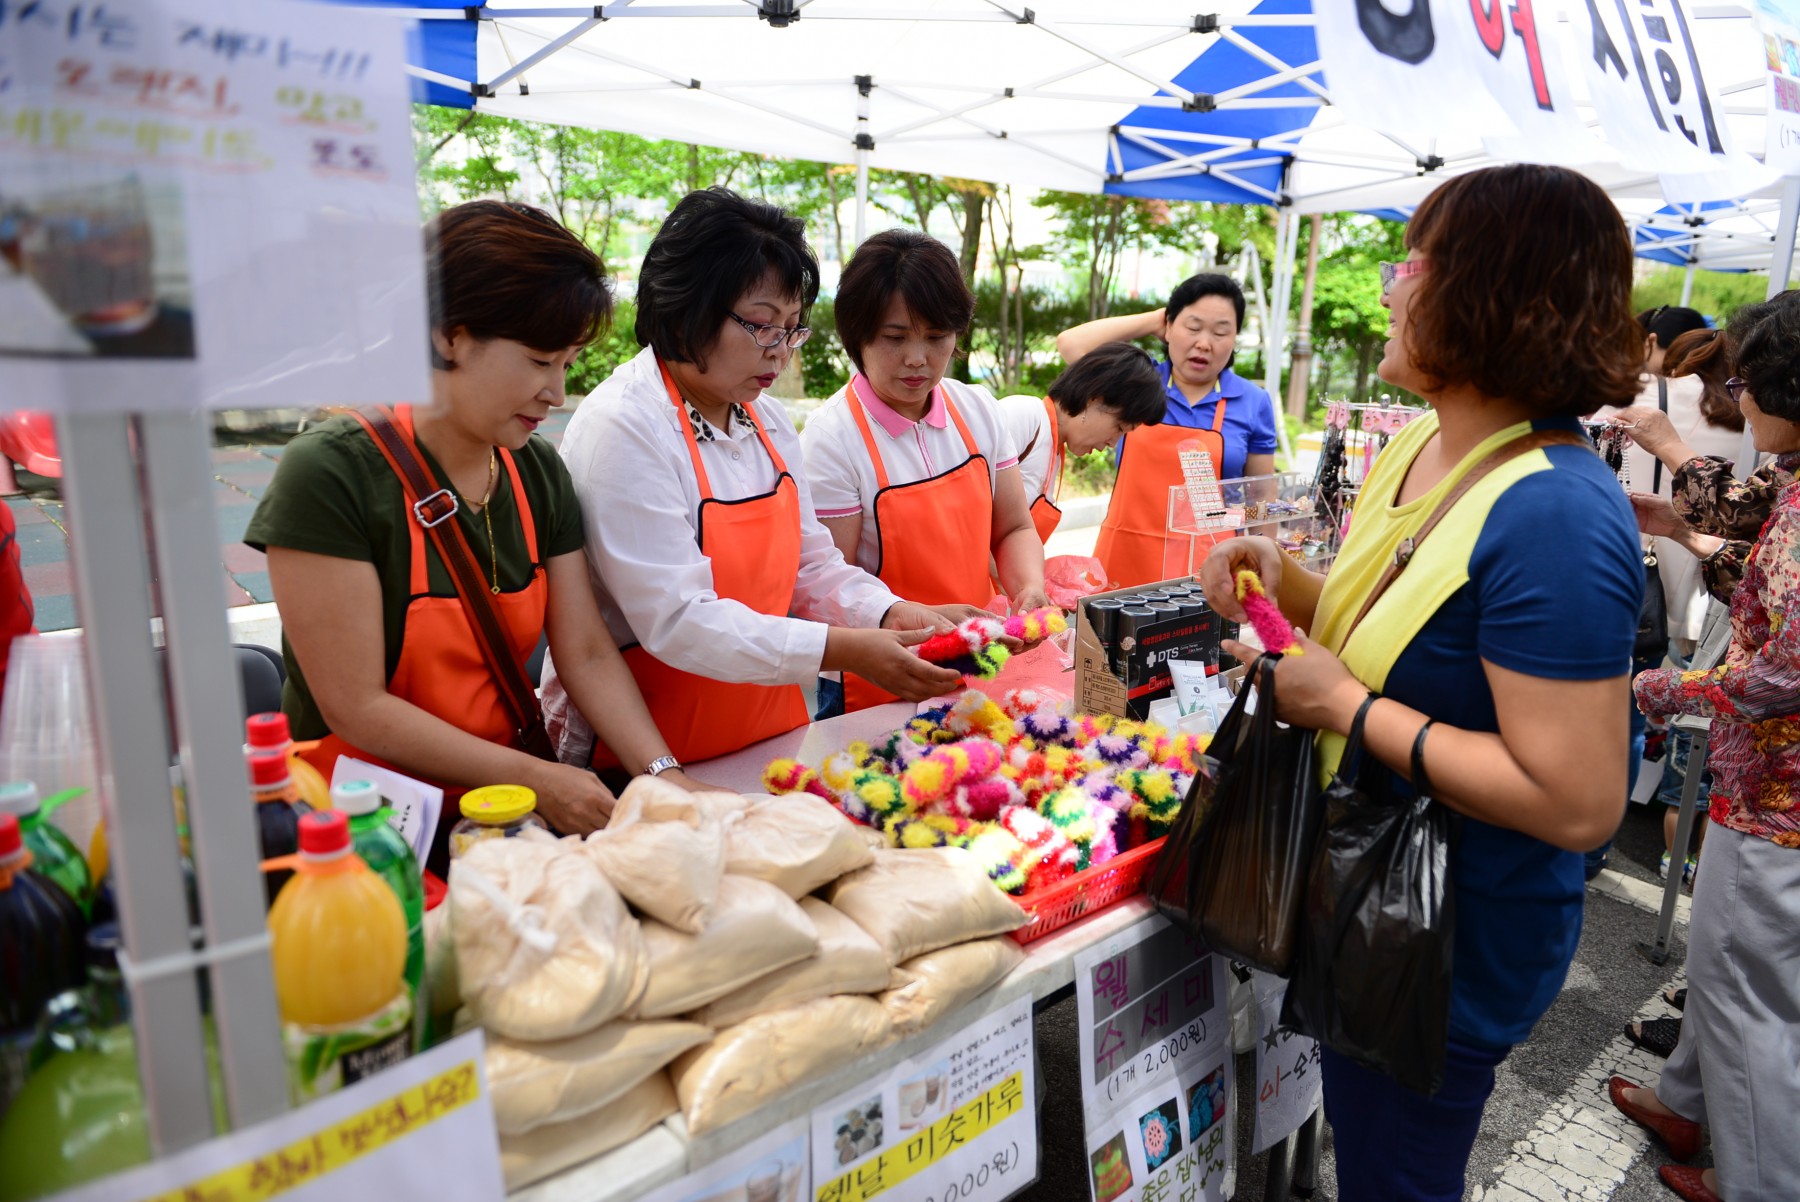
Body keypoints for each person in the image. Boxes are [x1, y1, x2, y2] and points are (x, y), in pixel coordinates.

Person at [1199, 164, 1642, 1202]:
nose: (1394, 286)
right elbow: (1394, 630)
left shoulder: (1557, 513)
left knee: (1398, 1170)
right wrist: (1286, 581)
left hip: (1439, 936)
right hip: (1360, 890)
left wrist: (1349, 710)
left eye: (1416, 263)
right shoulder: (1421, 444)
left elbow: (1577, 799)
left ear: (1491, 293)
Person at [247, 201, 693, 870]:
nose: (556, 391)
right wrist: (540, 778)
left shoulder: (535, 470)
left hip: (502, 819)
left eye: (568, 362)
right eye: (541, 360)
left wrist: (665, 777)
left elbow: (588, 653)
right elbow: (357, 707)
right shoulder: (332, 473)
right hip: (362, 833)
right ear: (450, 335)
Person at [540, 189, 963, 768]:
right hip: (649, 754)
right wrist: (845, 649)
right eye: (763, 326)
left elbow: (809, 564)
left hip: (767, 733)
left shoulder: (764, 418)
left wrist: (889, 615)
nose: (781, 352)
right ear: (687, 306)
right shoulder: (625, 427)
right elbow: (678, 620)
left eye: (792, 329)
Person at [1607, 293, 1800, 1202]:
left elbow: (1779, 672)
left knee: (1742, 984)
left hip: (1779, 796)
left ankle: (1761, 1181)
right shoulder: (1794, 479)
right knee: (1724, 960)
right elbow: (1763, 571)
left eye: (1747, 380)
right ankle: (1687, 1099)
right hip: (1757, 783)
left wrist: (1664, 689)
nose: (1737, 395)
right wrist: (1681, 527)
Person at [801, 228, 1047, 712]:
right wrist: (914, 619)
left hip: (978, 654)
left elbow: (1014, 525)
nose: (918, 359)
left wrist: (1028, 588)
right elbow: (828, 580)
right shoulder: (831, 439)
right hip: (879, 672)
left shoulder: (977, 409)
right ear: (858, 336)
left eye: (936, 337)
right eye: (895, 338)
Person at [1584, 309, 1742, 882]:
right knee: (1650, 729)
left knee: (1598, 713)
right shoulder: (1742, 416)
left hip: (1622, 576)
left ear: (1650, 341)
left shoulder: (1630, 399)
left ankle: (1577, 838)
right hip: (1707, 599)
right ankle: (1609, 847)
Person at [1057, 274, 1279, 587]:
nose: (1204, 343)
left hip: (1211, 570)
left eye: (1220, 332)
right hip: (1124, 558)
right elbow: (1071, 344)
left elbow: (1263, 496)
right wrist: (1154, 320)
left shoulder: (1253, 401)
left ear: (1234, 340)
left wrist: (1262, 565)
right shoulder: (1138, 383)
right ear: (1169, 327)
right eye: (1193, 326)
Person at [993, 342, 1166, 545]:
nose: (1112, 443)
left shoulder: (1054, 451)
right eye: (1119, 427)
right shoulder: (1023, 415)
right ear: (1093, 399)